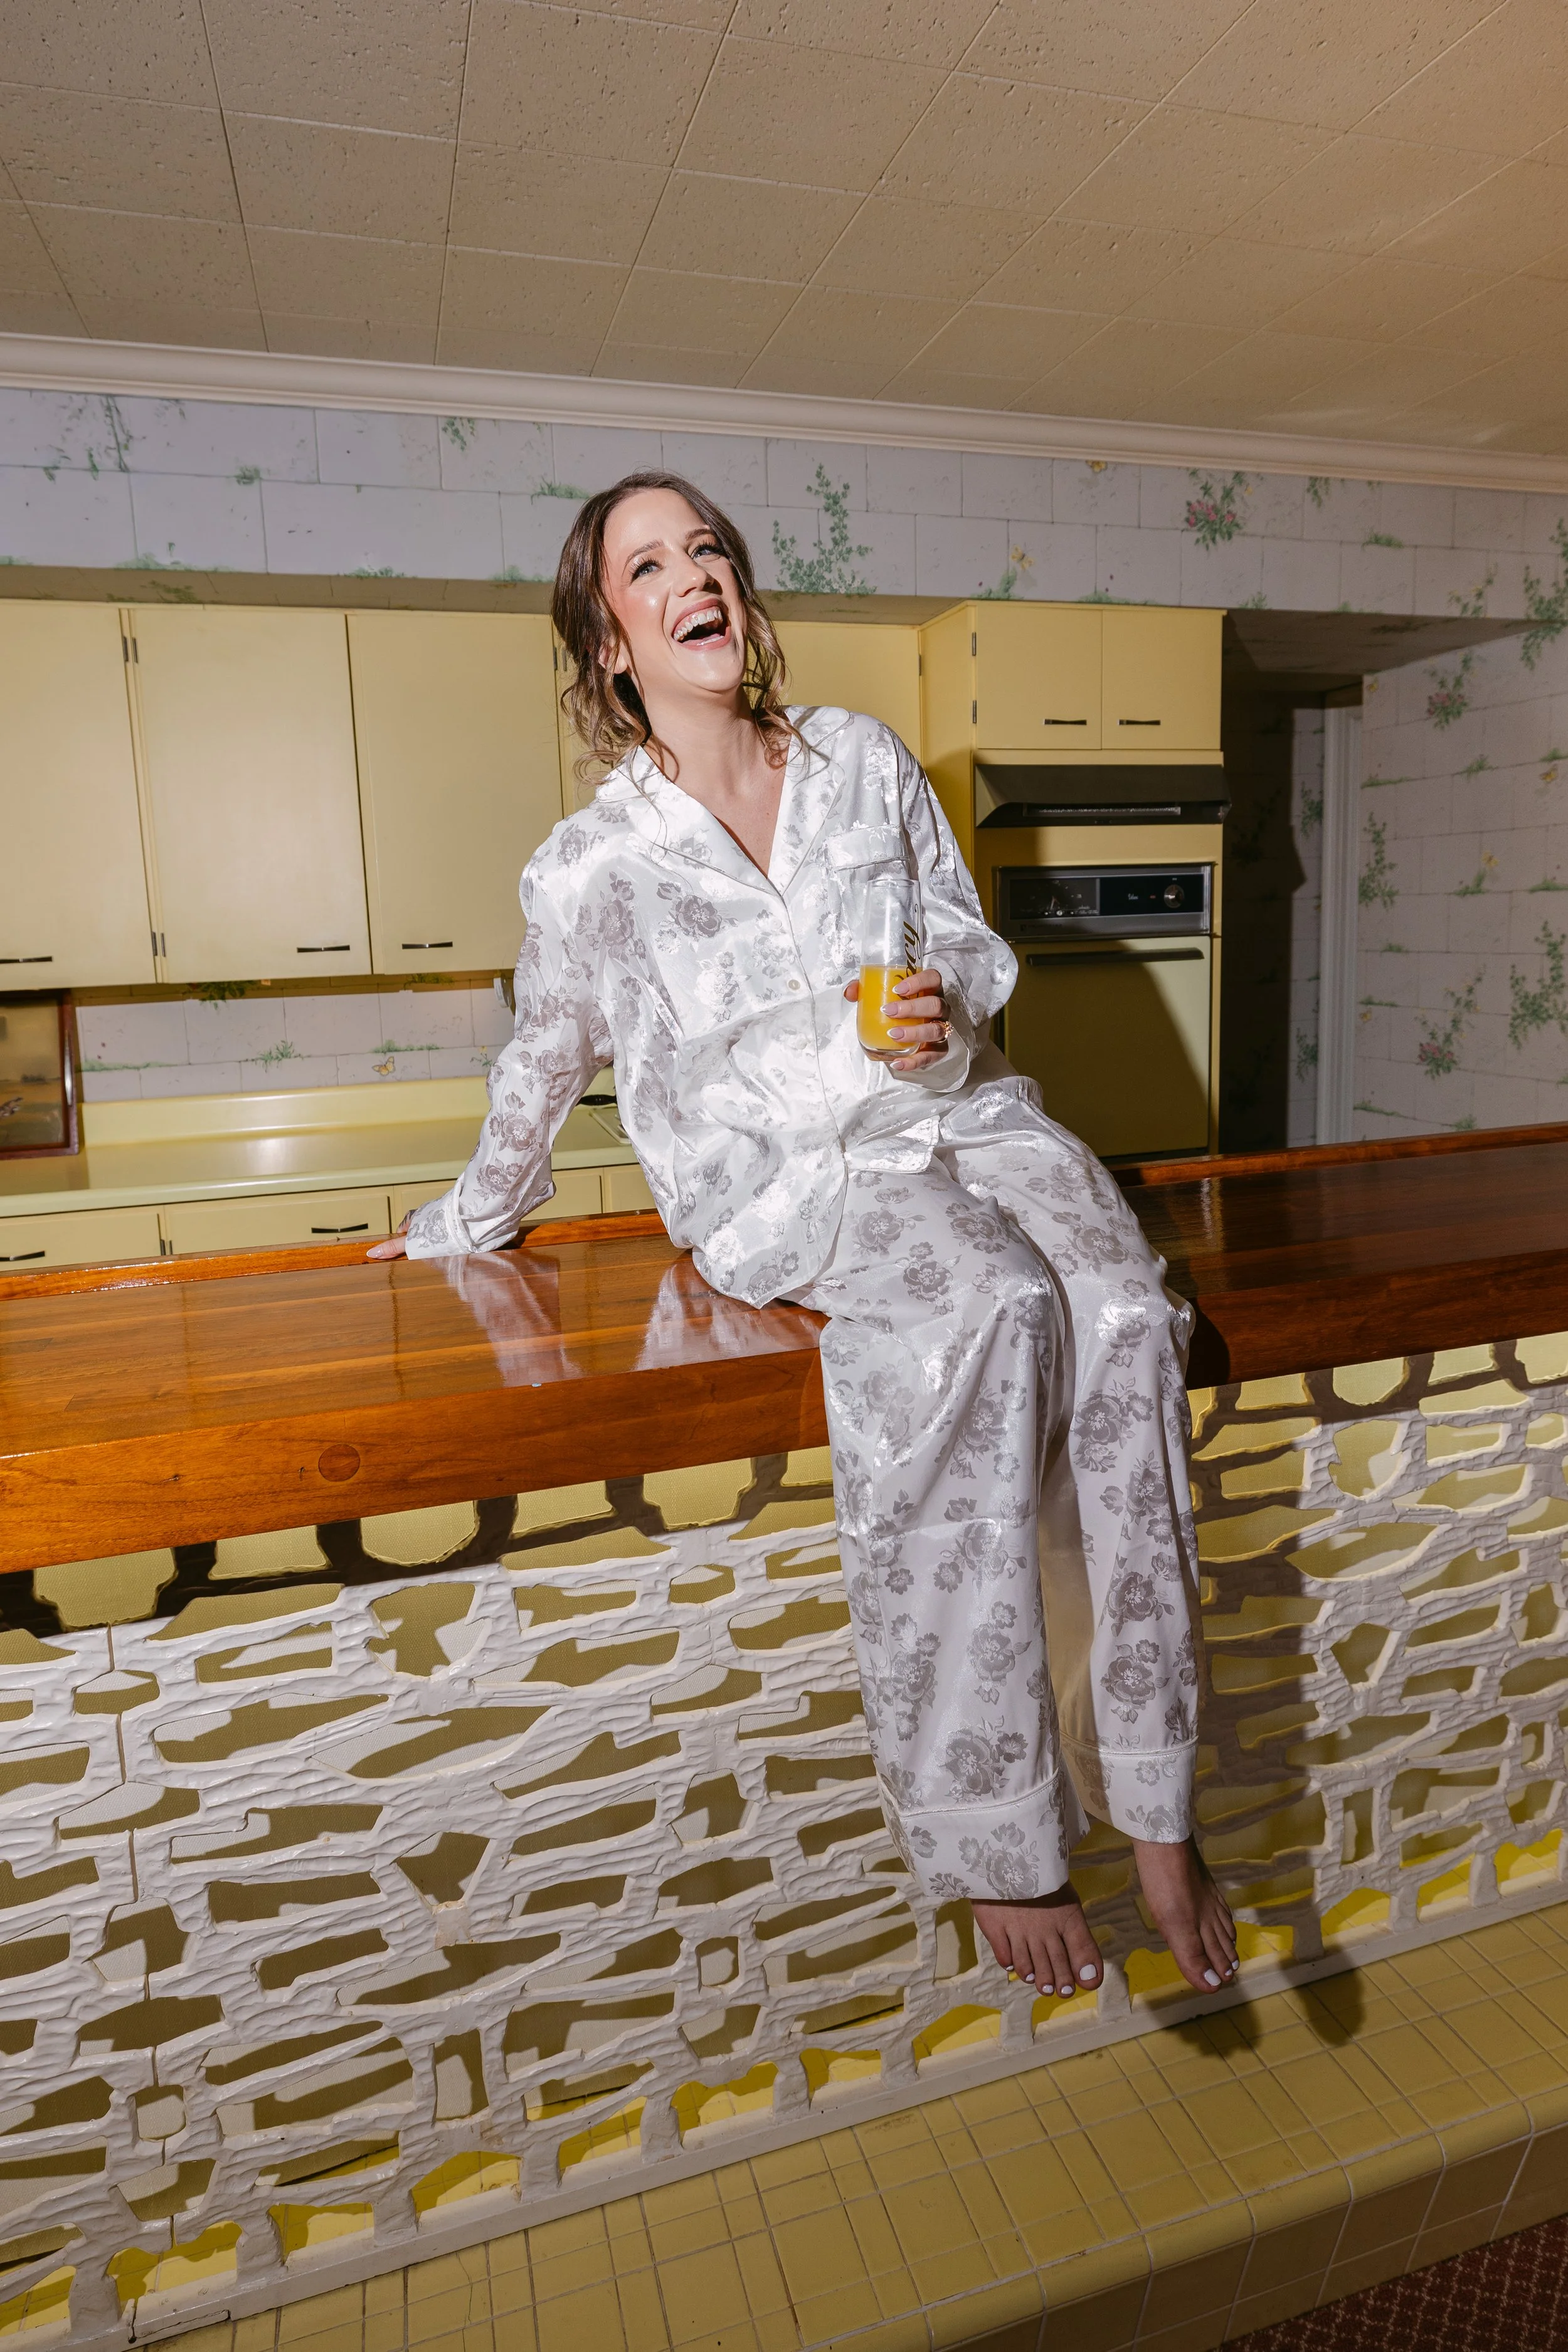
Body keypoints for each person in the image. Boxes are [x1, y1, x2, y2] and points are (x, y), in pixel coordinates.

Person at [370, 471, 1237, 2000]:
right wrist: (463, 1225)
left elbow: (966, 940)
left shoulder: (858, 761)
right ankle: (993, 1826)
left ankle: (1152, 1788)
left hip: (957, 1117)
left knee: (1119, 1316)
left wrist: (940, 1005)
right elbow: (542, 1058)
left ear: (738, 591)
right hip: (795, 1182)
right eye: (649, 564)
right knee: (986, 1317)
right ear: (610, 642)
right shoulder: (594, 868)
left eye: (706, 546)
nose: (692, 571)